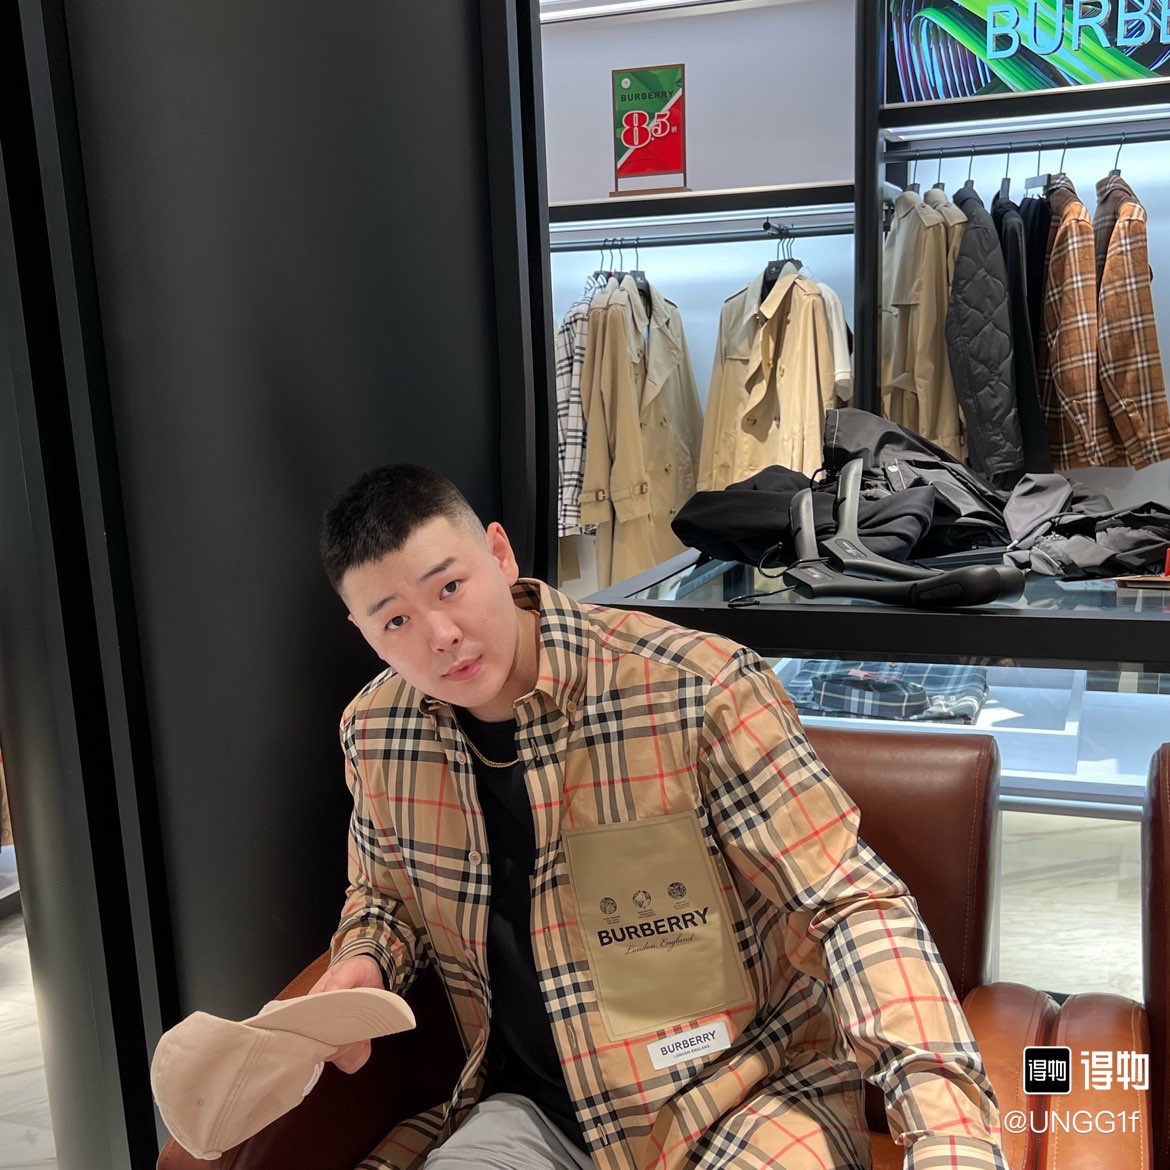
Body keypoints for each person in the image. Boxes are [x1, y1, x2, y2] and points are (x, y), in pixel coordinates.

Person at [311, 464, 1007, 1170]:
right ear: (361, 631)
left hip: (739, 1096)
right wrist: (365, 961)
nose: (440, 635)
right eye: (395, 620)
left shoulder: (695, 688)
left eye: (450, 587)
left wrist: (948, 1135)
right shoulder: (377, 732)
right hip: (532, 1112)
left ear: (499, 553)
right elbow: (384, 896)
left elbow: (846, 905)